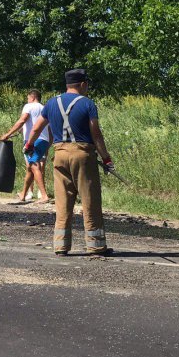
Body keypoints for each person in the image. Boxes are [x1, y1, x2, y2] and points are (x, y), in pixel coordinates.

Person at [24, 68, 114, 256]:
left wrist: (29, 145)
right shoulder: (88, 104)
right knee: (90, 200)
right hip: (82, 155)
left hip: (60, 154)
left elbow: (36, 129)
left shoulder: (51, 103)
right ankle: (96, 245)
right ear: (82, 84)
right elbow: (96, 135)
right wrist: (106, 157)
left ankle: (61, 246)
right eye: (86, 84)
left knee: (63, 202)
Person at [0, 89, 51, 203]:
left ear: (32, 97)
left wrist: (8, 134)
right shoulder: (45, 108)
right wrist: (48, 145)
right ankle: (23, 194)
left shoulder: (29, 106)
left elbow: (22, 120)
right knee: (30, 168)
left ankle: (44, 195)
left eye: (28, 98)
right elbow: (49, 128)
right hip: (44, 140)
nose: (27, 100)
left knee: (33, 166)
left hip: (32, 141)